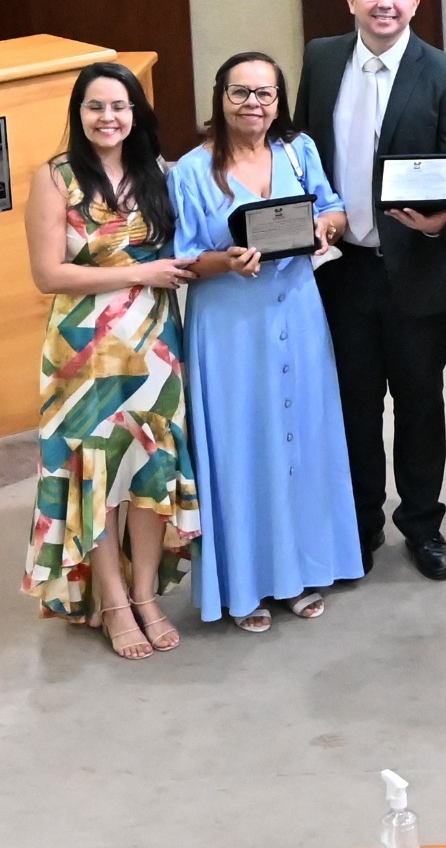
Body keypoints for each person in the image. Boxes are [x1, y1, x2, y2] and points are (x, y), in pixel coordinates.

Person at [296, 0, 446, 581]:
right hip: (341, 266)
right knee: (354, 402)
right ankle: (360, 524)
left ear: (415, 3)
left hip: (419, 265)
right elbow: (302, 149)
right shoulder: (322, 59)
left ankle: (423, 524)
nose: (385, 3)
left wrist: (445, 217)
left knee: (419, 402)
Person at [172, 52, 364, 629]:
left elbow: (334, 209)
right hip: (230, 326)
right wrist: (225, 263)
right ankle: (246, 583)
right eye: (240, 92)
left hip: (298, 313)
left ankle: (301, 570)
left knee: (303, 437)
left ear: (279, 101)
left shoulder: (298, 151)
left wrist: (323, 229)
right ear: (219, 97)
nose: (252, 104)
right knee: (242, 446)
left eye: (265, 93)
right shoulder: (190, 170)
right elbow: (181, 259)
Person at [21, 64, 198, 657]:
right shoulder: (56, 177)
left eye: (119, 106)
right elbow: (48, 274)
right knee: (96, 474)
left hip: (155, 345)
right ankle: (114, 600)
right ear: (79, 113)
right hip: (83, 353)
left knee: (150, 470)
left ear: (135, 112)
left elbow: (193, 245)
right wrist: (141, 273)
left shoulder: (159, 173)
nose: (108, 117)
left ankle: (145, 594)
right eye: (95, 106)